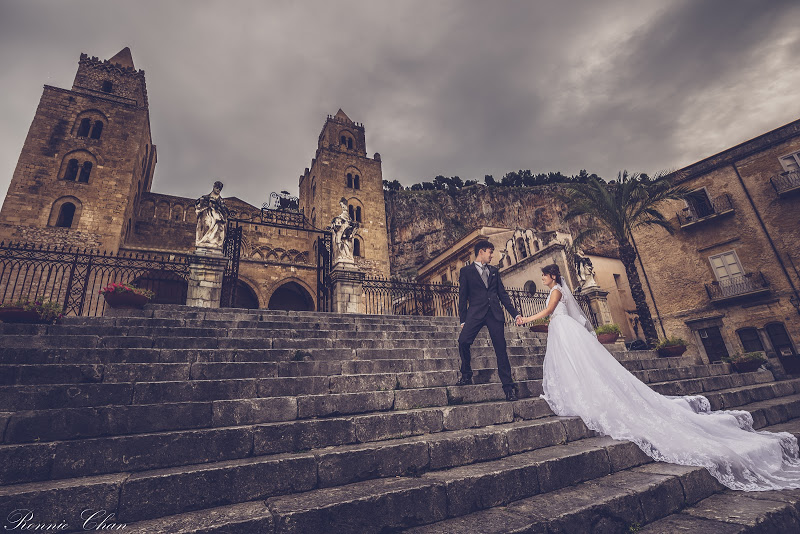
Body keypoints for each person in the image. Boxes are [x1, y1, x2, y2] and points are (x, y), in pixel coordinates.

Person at [519, 263, 800, 491]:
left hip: (564, 329)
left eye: (543, 275)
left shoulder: (556, 290)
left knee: (576, 362)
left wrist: (525, 319)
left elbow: (548, 311)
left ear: (552, 276)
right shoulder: (557, 289)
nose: (542, 279)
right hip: (563, 329)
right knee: (573, 363)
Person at [457, 240, 523, 401]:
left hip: (494, 314)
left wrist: (515, 314)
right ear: (481, 252)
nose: (492, 255)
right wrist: (463, 320)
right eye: (490, 252)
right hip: (475, 313)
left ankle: (508, 388)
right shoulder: (466, 271)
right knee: (463, 341)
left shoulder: (494, 271)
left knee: (501, 350)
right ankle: (466, 374)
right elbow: (462, 297)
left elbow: (503, 295)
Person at [195, 181, 230, 248]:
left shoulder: (221, 201)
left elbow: (225, 211)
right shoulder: (205, 197)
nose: (218, 190)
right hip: (207, 214)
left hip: (218, 216)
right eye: (217, 188)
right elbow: (198, 205)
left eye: (220, 189)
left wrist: (217, 206)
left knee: (220, 225)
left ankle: (215, 243)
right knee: (207, 223)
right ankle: (204, 242)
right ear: (213, 187)